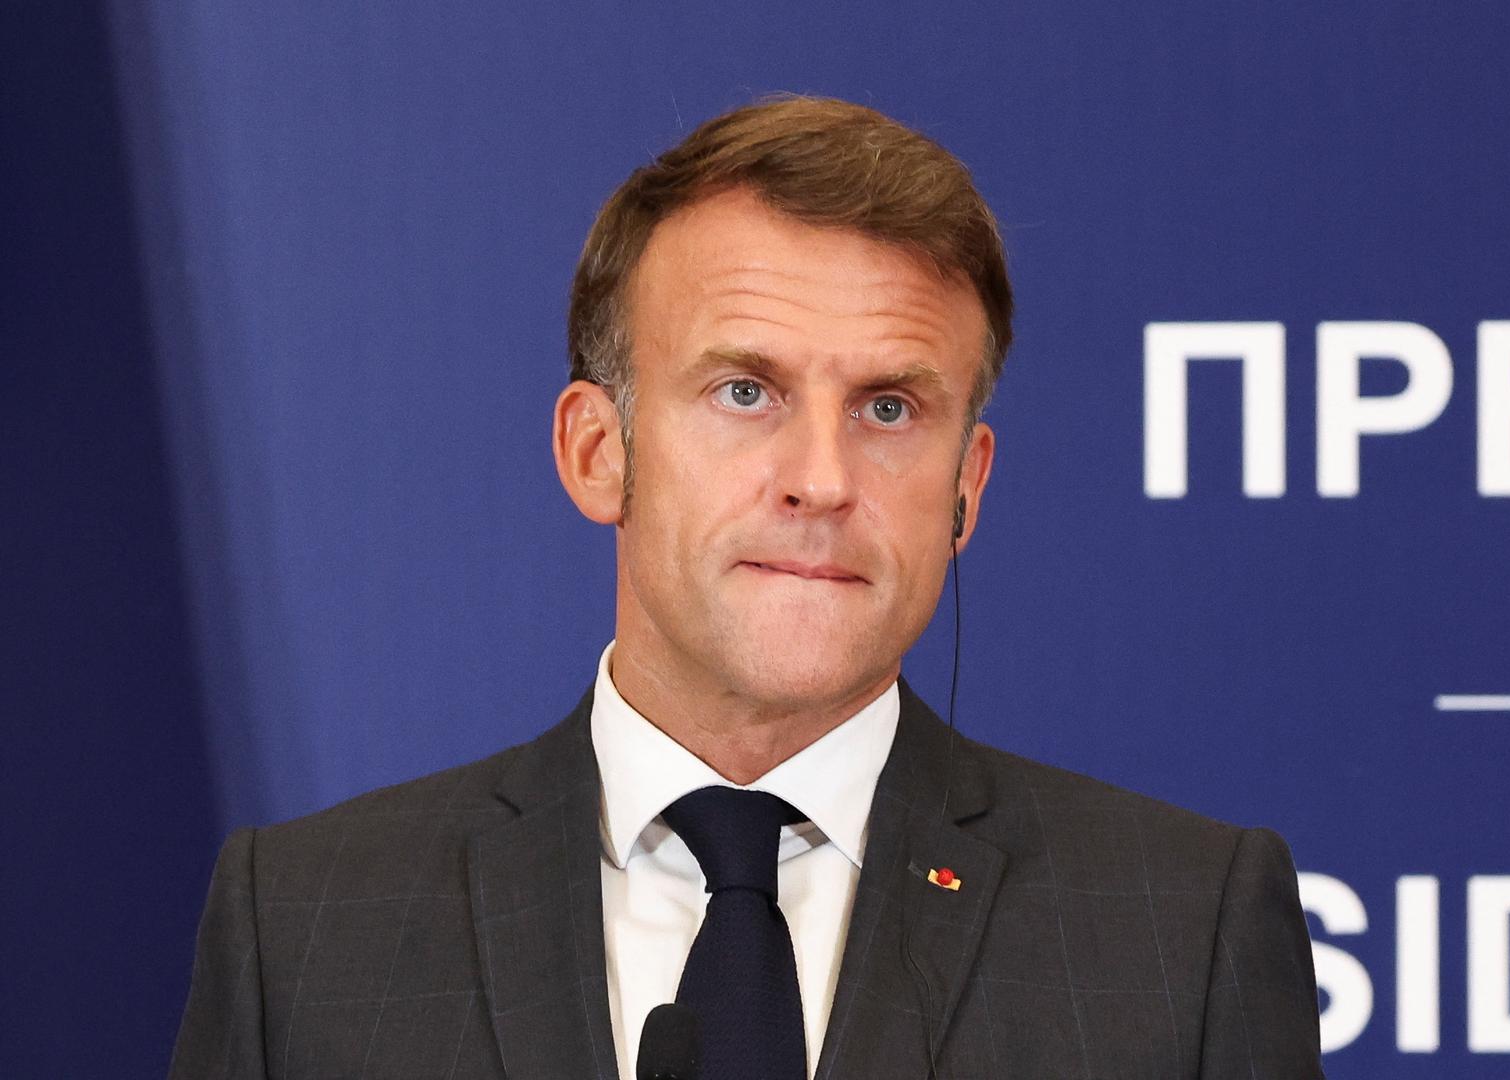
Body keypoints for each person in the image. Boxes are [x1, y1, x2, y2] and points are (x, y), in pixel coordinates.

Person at [171, 96, 1324, 1079]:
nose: (821, 480)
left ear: (966, 488)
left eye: (890, 409)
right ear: (597, 451)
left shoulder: (1180, 931)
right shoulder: (310, 925)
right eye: (745, 392)